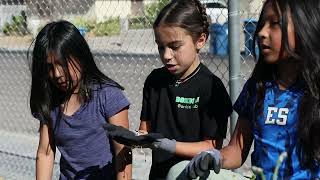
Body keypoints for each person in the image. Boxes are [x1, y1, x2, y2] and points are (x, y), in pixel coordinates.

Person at [185, 0, 320, 179]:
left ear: (305, 26)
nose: (262, 33)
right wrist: (215, 156)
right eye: (262, 23)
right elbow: (237, 149)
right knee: (177, 171)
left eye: (274, 24)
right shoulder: (257, 87)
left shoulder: (314, 92)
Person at [104, 0, 233, 179]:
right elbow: (145, 130)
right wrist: (132, 138)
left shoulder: (211, 87)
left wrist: (169, 145)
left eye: (174, 46)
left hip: (194, 176)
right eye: (160, 46)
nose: (166, 55)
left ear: (200, 40)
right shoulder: (154, 81)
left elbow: (212, 147)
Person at [29, 20, 132, 180]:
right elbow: (45, 152)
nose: (56, 74)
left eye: (62, 64)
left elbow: (123, 153)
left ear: (80, 56)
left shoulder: (108, 96)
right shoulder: (52, 101)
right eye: (49, 67)